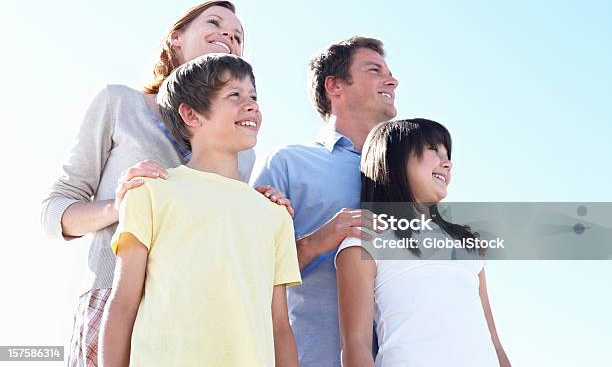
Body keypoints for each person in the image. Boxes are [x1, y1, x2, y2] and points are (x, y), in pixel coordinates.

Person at [40, 0, 290, 367]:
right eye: (215, 23)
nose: (229, 37)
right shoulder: (119, 103)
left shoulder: (244, 151)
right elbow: (54, 210)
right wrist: (117, 205)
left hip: (199, 311)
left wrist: (259, 200)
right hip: (114, 294)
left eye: (237, 36)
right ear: (176, 38)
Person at [99, 54, 301, 367]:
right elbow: (124, 303)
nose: (252, 105)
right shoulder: (150, 192)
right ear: (191, 114)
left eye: (254, 97)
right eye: (234, 95)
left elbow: (280, 326)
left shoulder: (275, 215)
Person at [251, 36, 399, 366]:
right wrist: (320, 240)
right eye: (375, 70)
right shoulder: (287, 164)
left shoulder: (409, 176)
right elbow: (247, 272)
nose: (392, 80)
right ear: (334, 86)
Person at [335, 119, 511, 367]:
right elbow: (356, 345)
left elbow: (494, 343)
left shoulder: (467, 246)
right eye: (434, 150)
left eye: (447, 155)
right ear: (394, 160)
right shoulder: (366, 238)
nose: (447, 163)